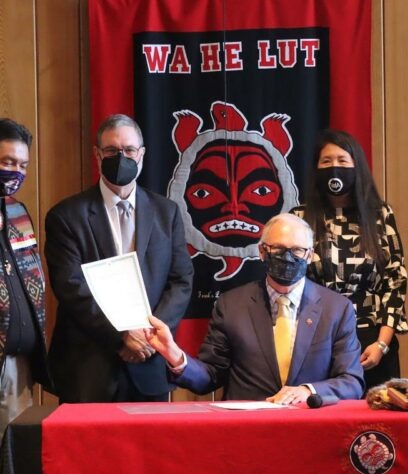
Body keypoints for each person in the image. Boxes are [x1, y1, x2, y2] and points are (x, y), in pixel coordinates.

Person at [45, 114, 193, 403]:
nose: (121, 157)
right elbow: (71, 287)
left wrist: (150, 337)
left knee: (152, 448)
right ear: (98, 155)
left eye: (128, 151)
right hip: (87, 367)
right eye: (112, 151)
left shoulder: (167, 212)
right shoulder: (66, 216)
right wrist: (122, 335)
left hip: (150, 363)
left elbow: (181, 280)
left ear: (142, 154)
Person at [146, 213, 364, 404]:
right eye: (277, 248)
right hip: (247, 431)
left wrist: (309, 391)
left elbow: (351, 382)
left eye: (297, 250)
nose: (287, 258)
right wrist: (174, 355)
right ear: (262, 251)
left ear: (309, 254)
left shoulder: (336, 309)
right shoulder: (231, 305)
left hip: (310, 430)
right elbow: (210, 376)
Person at [292, 129, 408, 391]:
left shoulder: (380, 215)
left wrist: (381, 344)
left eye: (342, 161)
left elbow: (396, 281)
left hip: (372, 340)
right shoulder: (299, 217)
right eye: (326, 162)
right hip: (319, 339)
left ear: (357, 166)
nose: (334, 168)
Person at [0, 118, 50, 437]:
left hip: (19, 366)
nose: (16, 172)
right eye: (7, 162)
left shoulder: (18, 212)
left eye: (23, 164)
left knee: (11, 467)